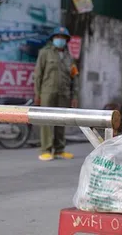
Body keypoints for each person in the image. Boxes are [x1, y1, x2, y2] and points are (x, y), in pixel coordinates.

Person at [34, 26, 79, 161]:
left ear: (66, 40)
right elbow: (38, 75)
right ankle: (46, 150)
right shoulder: (45, 53)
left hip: (64, 93)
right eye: (57, 37)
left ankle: (59, 149)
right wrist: (37, 94)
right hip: (47, 92)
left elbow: (74, 77)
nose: (60, 40)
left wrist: (74, 96)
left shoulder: (69, 57)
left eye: (63, 38)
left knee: (62, 121)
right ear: (52, 39)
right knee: (46, 121)